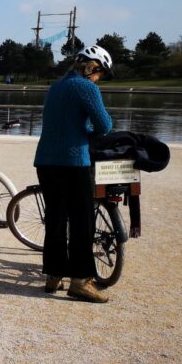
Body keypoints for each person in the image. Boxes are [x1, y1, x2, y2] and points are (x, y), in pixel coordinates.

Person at [33, 44, 115, 303]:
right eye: (100, 73)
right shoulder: (86, 87)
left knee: (55, 218)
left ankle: (54, 275)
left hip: (45, 160)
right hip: (73, 161)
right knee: (82, 221)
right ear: (92, 67)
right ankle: (80, 281)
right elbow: (104, 125)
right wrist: (89, 129)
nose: (98, 78)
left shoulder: (56, 87)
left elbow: (59, 122)